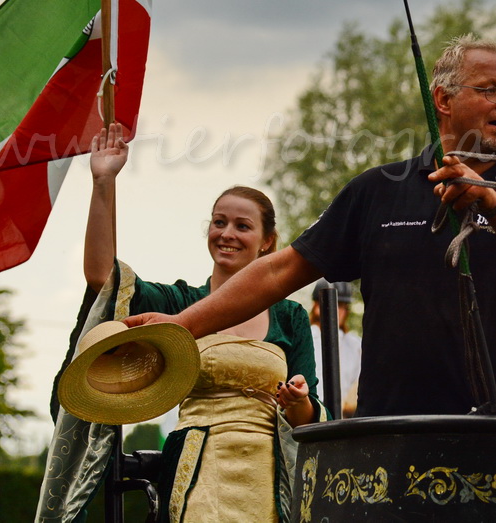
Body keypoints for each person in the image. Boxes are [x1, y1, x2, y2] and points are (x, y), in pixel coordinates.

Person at [127, 34, 496, 417]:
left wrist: (491, 199)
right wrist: (182, 325)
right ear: (443, 100)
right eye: (491, 90)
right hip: (394, 433)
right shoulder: (377, 190)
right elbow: (281, 271)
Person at [83, 123, 322, 522]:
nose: (227, 234)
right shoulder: (180, 304)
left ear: (267, 241)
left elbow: (308, 418)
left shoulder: (290, 317)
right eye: (218, 222)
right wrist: (103, 181)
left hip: (272, 479)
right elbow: (101, 278)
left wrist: (299, 402)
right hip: (195, 474)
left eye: (242, 226)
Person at [309, 279, 363, 417]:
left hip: (344, 417)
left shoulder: (355, 345)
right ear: (317, 306)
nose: (337, 310)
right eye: (335, 304)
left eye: (342, 306)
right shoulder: (306, 337)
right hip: (312, 413)